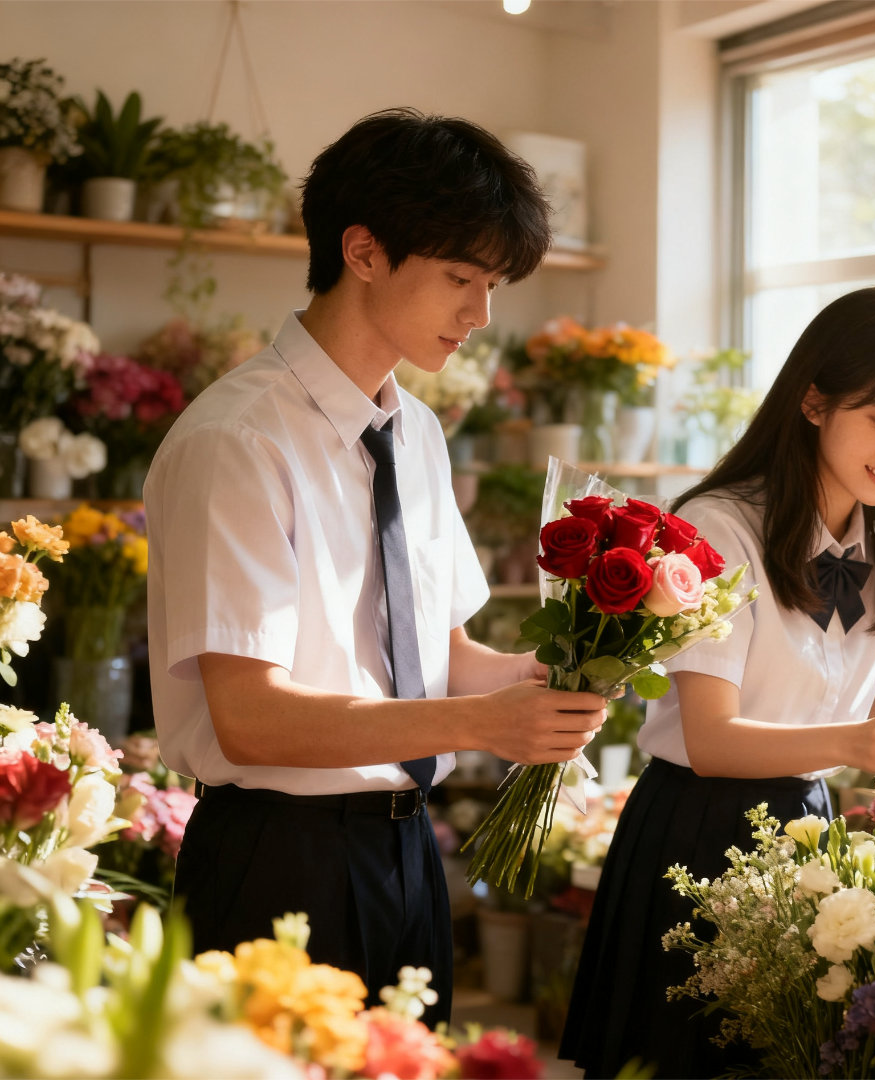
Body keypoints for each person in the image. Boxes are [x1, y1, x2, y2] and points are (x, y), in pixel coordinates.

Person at [143, 107, 607, 1021]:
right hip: (279, 858)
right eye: (460, 278)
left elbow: (440, 653)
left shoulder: (416, 431)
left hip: (406, 854)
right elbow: (251, 719)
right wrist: (484, 721)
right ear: (362, 251)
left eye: (492, 285)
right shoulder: (237, 440)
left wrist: (551, 679)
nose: (480, 316)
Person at [559, 285, 875, 1078]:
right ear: (814, 402)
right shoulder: (720, 527)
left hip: (809, 834)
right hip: (696, 822)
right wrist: (855, 742)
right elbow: (711, 741)